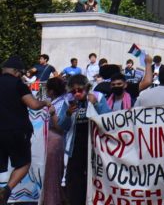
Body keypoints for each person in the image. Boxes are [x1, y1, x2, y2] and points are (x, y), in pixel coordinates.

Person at [0, 57, 47, 202]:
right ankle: (6, 190)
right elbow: (33, 105)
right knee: (24, 163)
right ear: (16, 72)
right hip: (17, 131)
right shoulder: (18, 84)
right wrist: (45, 102)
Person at [56, 74, 106, 205]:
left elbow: (108, 119)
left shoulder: (98, 97)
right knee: (74, 180)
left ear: (87, 88)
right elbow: (62, 125)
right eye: (73, 91)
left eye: (80, 90)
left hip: (94, 146)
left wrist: (96, 104)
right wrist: (67, 114)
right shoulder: (68, 101)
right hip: (75, 147)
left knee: (94, 178)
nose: (76, 93)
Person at [41, 76, 68, 205]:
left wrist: (52, 113)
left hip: (56, 139)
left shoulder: (62, 103)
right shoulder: (50, 101)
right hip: (48, 138)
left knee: (53, 171)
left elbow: (60, 126)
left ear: (51, 90)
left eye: (47, 89)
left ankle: (53, 200)